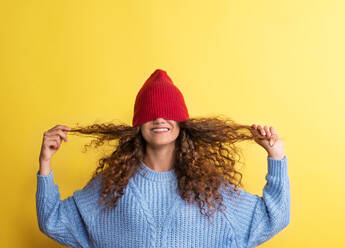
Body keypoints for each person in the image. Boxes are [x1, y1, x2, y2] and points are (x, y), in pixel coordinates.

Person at [36, 69, 290, 248]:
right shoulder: (113, 187)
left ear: (181, 124)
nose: (159, 119)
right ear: (137, 124)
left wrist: (276, 155)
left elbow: (272, 217)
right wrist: (46, 164)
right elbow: (54, 221)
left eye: (168, 112)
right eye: (150, 112)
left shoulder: (211, 190)